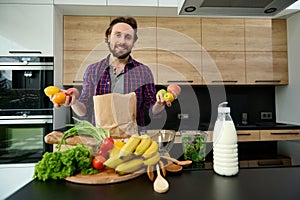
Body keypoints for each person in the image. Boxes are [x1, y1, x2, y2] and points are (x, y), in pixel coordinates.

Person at [55, 16, 169, 128]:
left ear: (133, 43)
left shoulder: (144, 72)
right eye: (117, 35)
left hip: (133, 141)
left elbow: (151, 111)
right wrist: (73, 102)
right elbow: (85, 111)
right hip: (101, 141)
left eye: (128, 37)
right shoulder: (93, 70)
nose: (122, 41)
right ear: (109, 37)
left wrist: (159, 105)